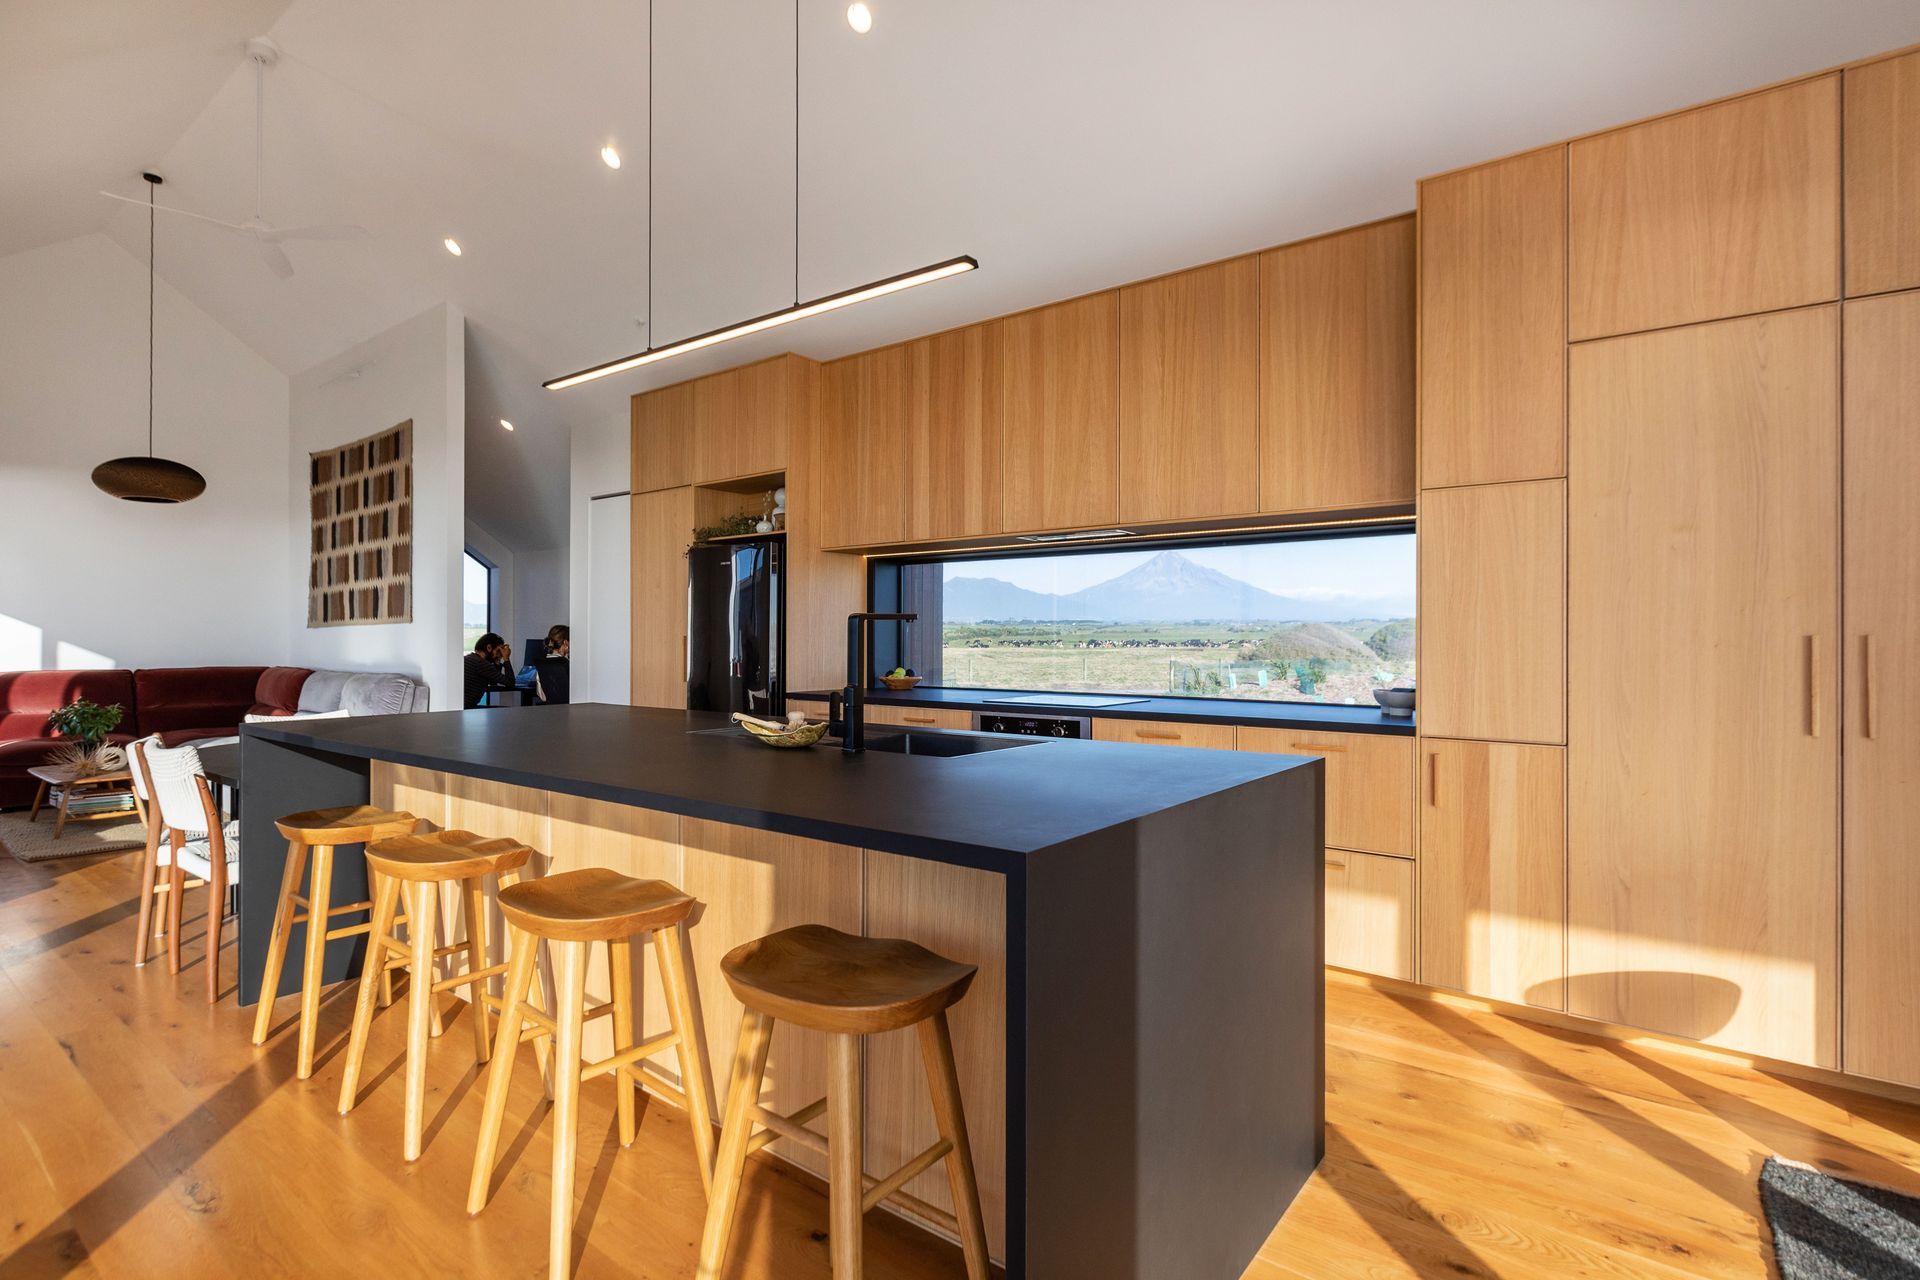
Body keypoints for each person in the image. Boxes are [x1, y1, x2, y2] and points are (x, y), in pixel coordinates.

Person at [462, 633, 514, 708]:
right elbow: (510, 682)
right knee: (507, 710)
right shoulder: (481, 663)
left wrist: (497, 661)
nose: (500, 654)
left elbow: (493, 681)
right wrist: (506, 658)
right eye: (498, 650)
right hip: (468, 708)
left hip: (461, 707)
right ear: (489, 647)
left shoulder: (469, 658)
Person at [533, 624, 571, 704]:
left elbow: (542, 697)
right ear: (566, 643)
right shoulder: (567, 664)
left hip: (551, 709)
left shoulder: (541, 663)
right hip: (568, 708)